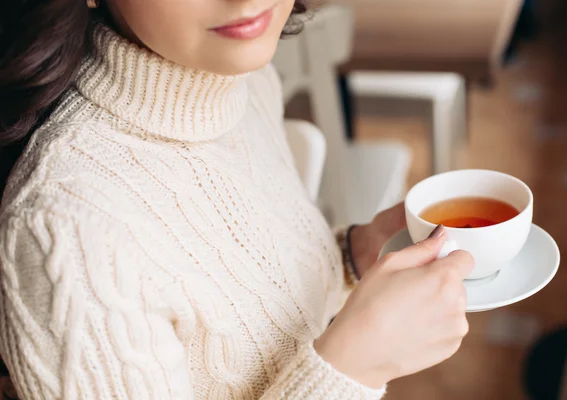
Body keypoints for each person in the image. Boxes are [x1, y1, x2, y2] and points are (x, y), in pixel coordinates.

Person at [0, 0, 474, 399]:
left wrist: (353, 256)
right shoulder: (66, 234)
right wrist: (352, 370)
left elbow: (246, 295)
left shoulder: (245, 83)